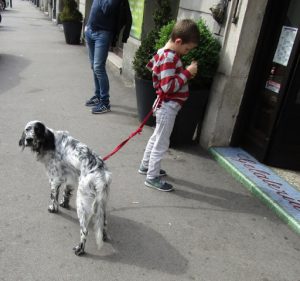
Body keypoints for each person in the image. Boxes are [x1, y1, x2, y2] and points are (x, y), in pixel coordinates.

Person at [138, 19, 200, 192]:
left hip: (164, 105)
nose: (187, 53)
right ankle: (152, 176)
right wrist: (187, 73)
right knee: (161, 142)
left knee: (157, 137)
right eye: (187, 49)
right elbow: (167, 87)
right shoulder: (170, 57)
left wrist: (184, 72)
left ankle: (146, 166)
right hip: (168, 106)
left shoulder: (166, 53)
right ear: (178, 41)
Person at [85, 0, 132, 114]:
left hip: (103, 34)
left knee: (98, 67)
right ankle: (98, 96)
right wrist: (87, 27)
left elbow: (107, 7)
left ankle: (105, 102)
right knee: (93, 66)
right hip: (91, 30)